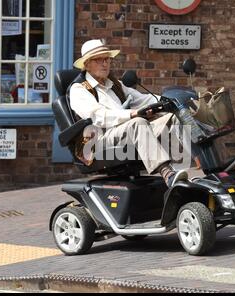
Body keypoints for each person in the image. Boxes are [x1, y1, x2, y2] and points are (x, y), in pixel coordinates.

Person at [69, 39, 189, 187]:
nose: (105, 63)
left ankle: (182, 172)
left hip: (126, 132)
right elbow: (98, 116)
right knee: (137, 122)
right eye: (98, 59)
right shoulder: (79, 89)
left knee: (172, 118)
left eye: (106, 58)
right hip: (99, 140)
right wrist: (132, 114)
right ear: (86, 64)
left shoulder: (115, 84)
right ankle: (167, 174)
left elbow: (144, 100)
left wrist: (170, 100)